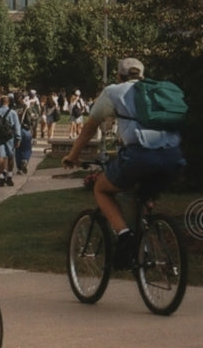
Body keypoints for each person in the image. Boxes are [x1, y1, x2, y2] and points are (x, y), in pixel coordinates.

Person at [62, 57, 186, 270]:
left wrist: (73, 156)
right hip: (173, 155)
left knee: (101, 188)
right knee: (142, 197)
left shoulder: (113, 92)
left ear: (118, 76)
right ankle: (146, 247)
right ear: (143, 76)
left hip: (140, 155)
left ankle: (125, 236)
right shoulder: (155, 92)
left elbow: (90, 128)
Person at [0, 93, 21, 187]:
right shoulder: (12, 113)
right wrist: (18, 138)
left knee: (0, 157)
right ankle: (10, 176)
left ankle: (1, 177)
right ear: (8, 103)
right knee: (10, 156)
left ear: (0, 102)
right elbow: (17, 127)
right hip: (9, 137)